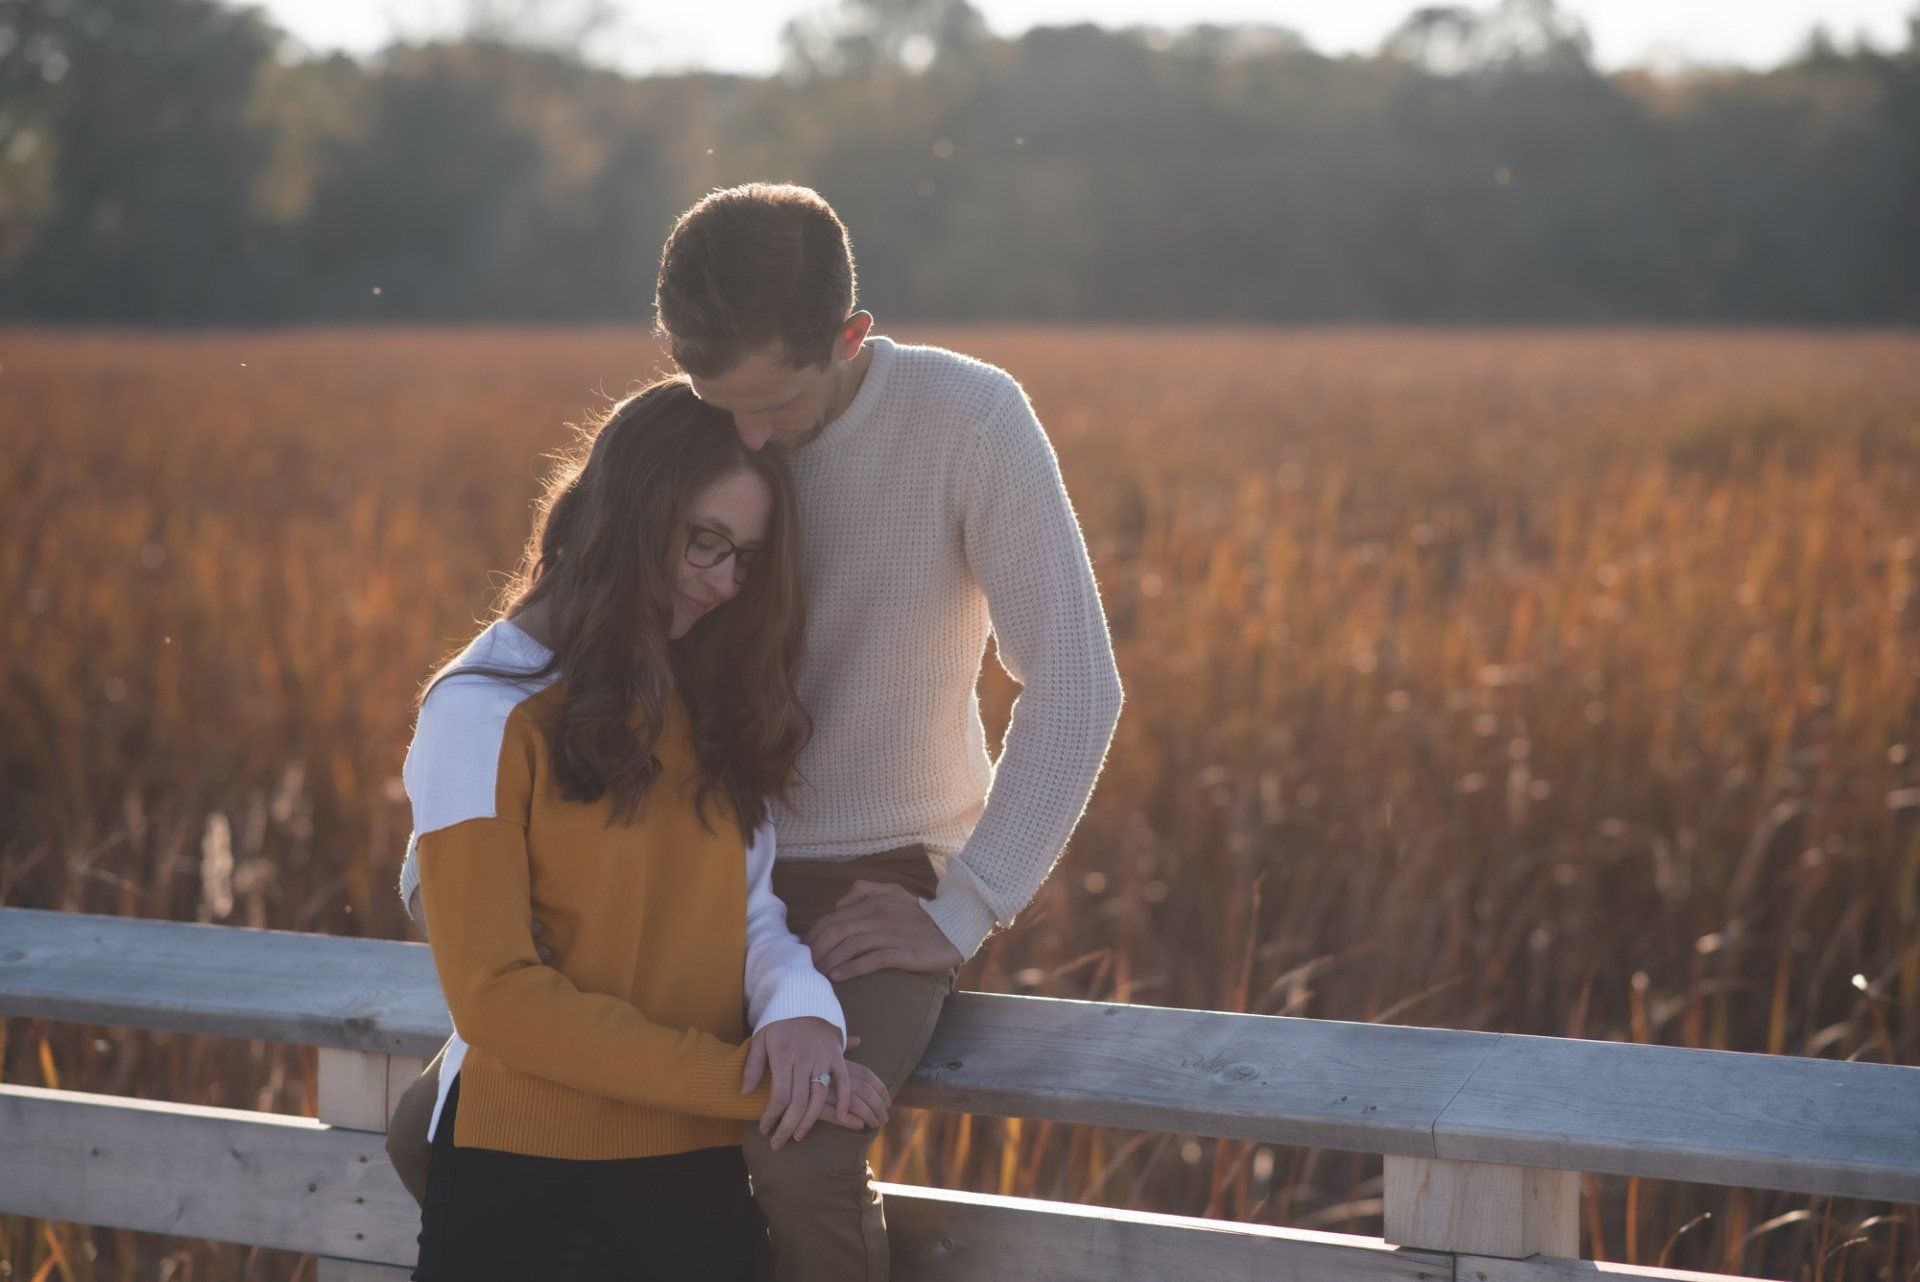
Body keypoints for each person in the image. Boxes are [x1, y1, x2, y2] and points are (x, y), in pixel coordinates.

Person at [393, 183, 1124, 1281]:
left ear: (851, 336)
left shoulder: (969, 419)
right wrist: (448, 859)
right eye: (716, 398)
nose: (748, 436)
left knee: (798, 1160)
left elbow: (1076, 682)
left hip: (873, 888)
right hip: (675, 858)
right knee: (430, 1133)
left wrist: (965, 904)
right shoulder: (702, 437)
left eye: (775, 408)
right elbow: (568, 635)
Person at [399, 378, 892, 1282]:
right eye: (705, 542)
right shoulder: (478, 711)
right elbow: (497, 997)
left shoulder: (704, 700)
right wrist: (742, 1080)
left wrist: (805, 1019)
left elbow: (743, 915)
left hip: (698, 1191)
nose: (722, 583)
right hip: (525, 1189)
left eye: (744, 558)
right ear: (630, 510)